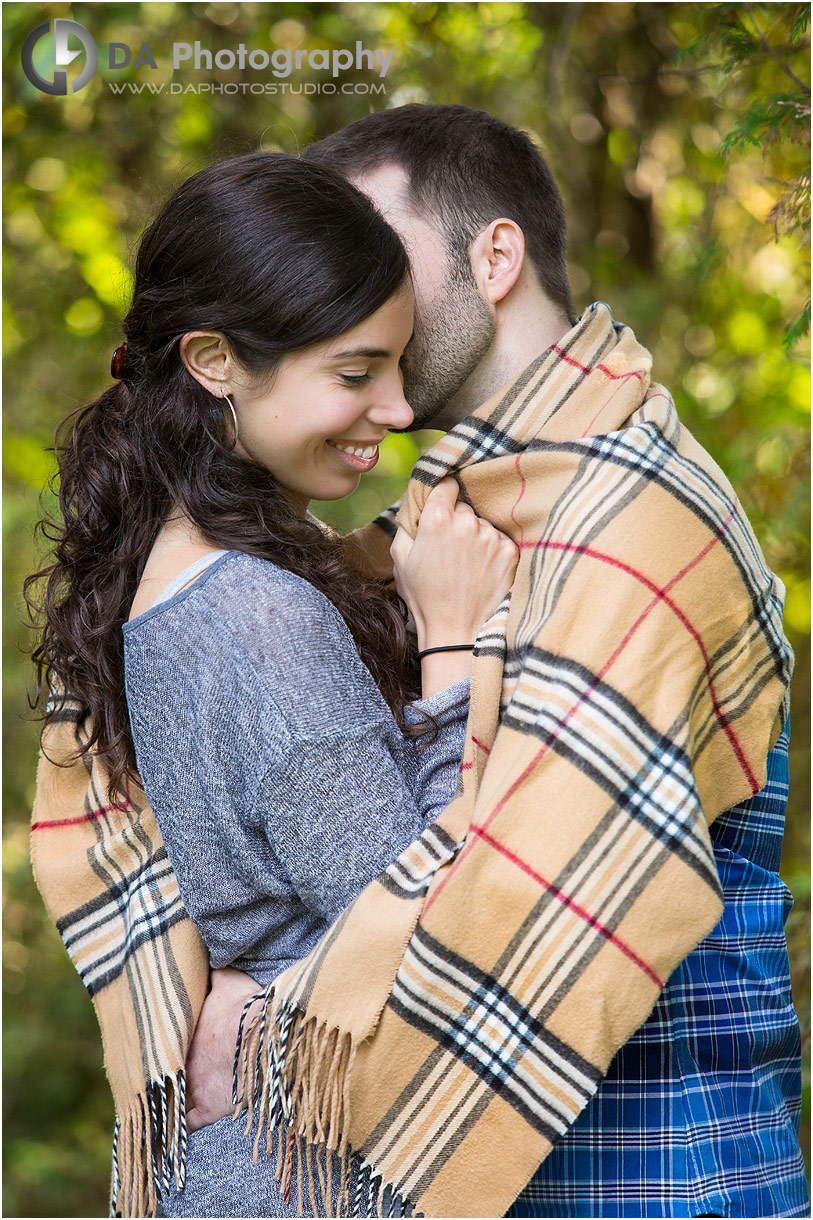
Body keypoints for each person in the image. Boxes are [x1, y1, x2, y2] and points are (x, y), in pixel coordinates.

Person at [186, 106, 808, 1219]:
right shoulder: (448, 524)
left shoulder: (637, 517)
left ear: (498, 255)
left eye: (375, 248)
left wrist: (270, 1025)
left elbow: (521, 909)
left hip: (655, 1169)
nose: (348, 289)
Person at [27, 150, 519, 1218]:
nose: (397, 406)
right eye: (355, 372)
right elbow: (422, 927)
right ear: (213, 361)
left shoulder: (168, 574)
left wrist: (258, 987)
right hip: (301, 1176)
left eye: (398, 365)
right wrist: (449, 641)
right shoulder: (255, 615)